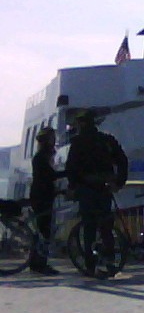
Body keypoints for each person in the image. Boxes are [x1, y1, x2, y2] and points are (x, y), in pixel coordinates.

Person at [64, 110, 128, 278]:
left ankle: (90, 266)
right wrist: (119, 182)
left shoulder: (77, 142)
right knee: (106, 227)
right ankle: (110, 262)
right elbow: (122, 160)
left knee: (89, 228)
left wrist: (73, 187)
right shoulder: (107, 140)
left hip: (86, 190)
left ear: (81, 123)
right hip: (104, 188)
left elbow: (71, 168)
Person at [27, 126, 65, 275]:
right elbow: (50, 176)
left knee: (42, 231)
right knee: (44, 231)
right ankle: (40, 264)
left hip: (43, 195)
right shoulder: (41, 157)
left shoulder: (43, 156)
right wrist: (69, 172)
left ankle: (36, 262)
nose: (54, 141)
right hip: (42, 197)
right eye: (52, 138)